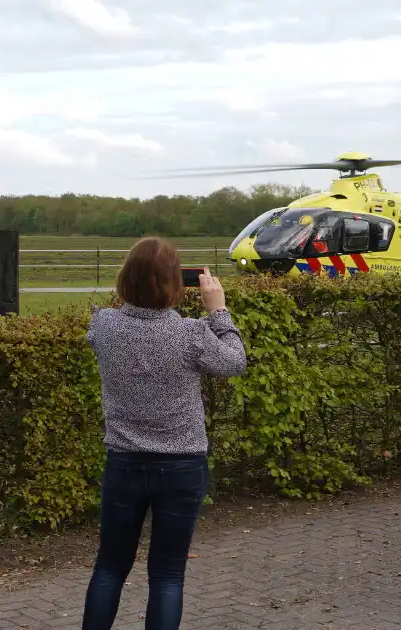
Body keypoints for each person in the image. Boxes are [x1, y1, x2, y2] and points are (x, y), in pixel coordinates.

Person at [81, 236, 246, 630]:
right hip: (181, 466)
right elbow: (235, 363)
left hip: (123, 463)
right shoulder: (191, 334)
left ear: (125, 279)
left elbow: (109, 330)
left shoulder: (102, 324)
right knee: (168, 574)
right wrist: (218, 311)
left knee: (109, 567)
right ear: (176, 284)